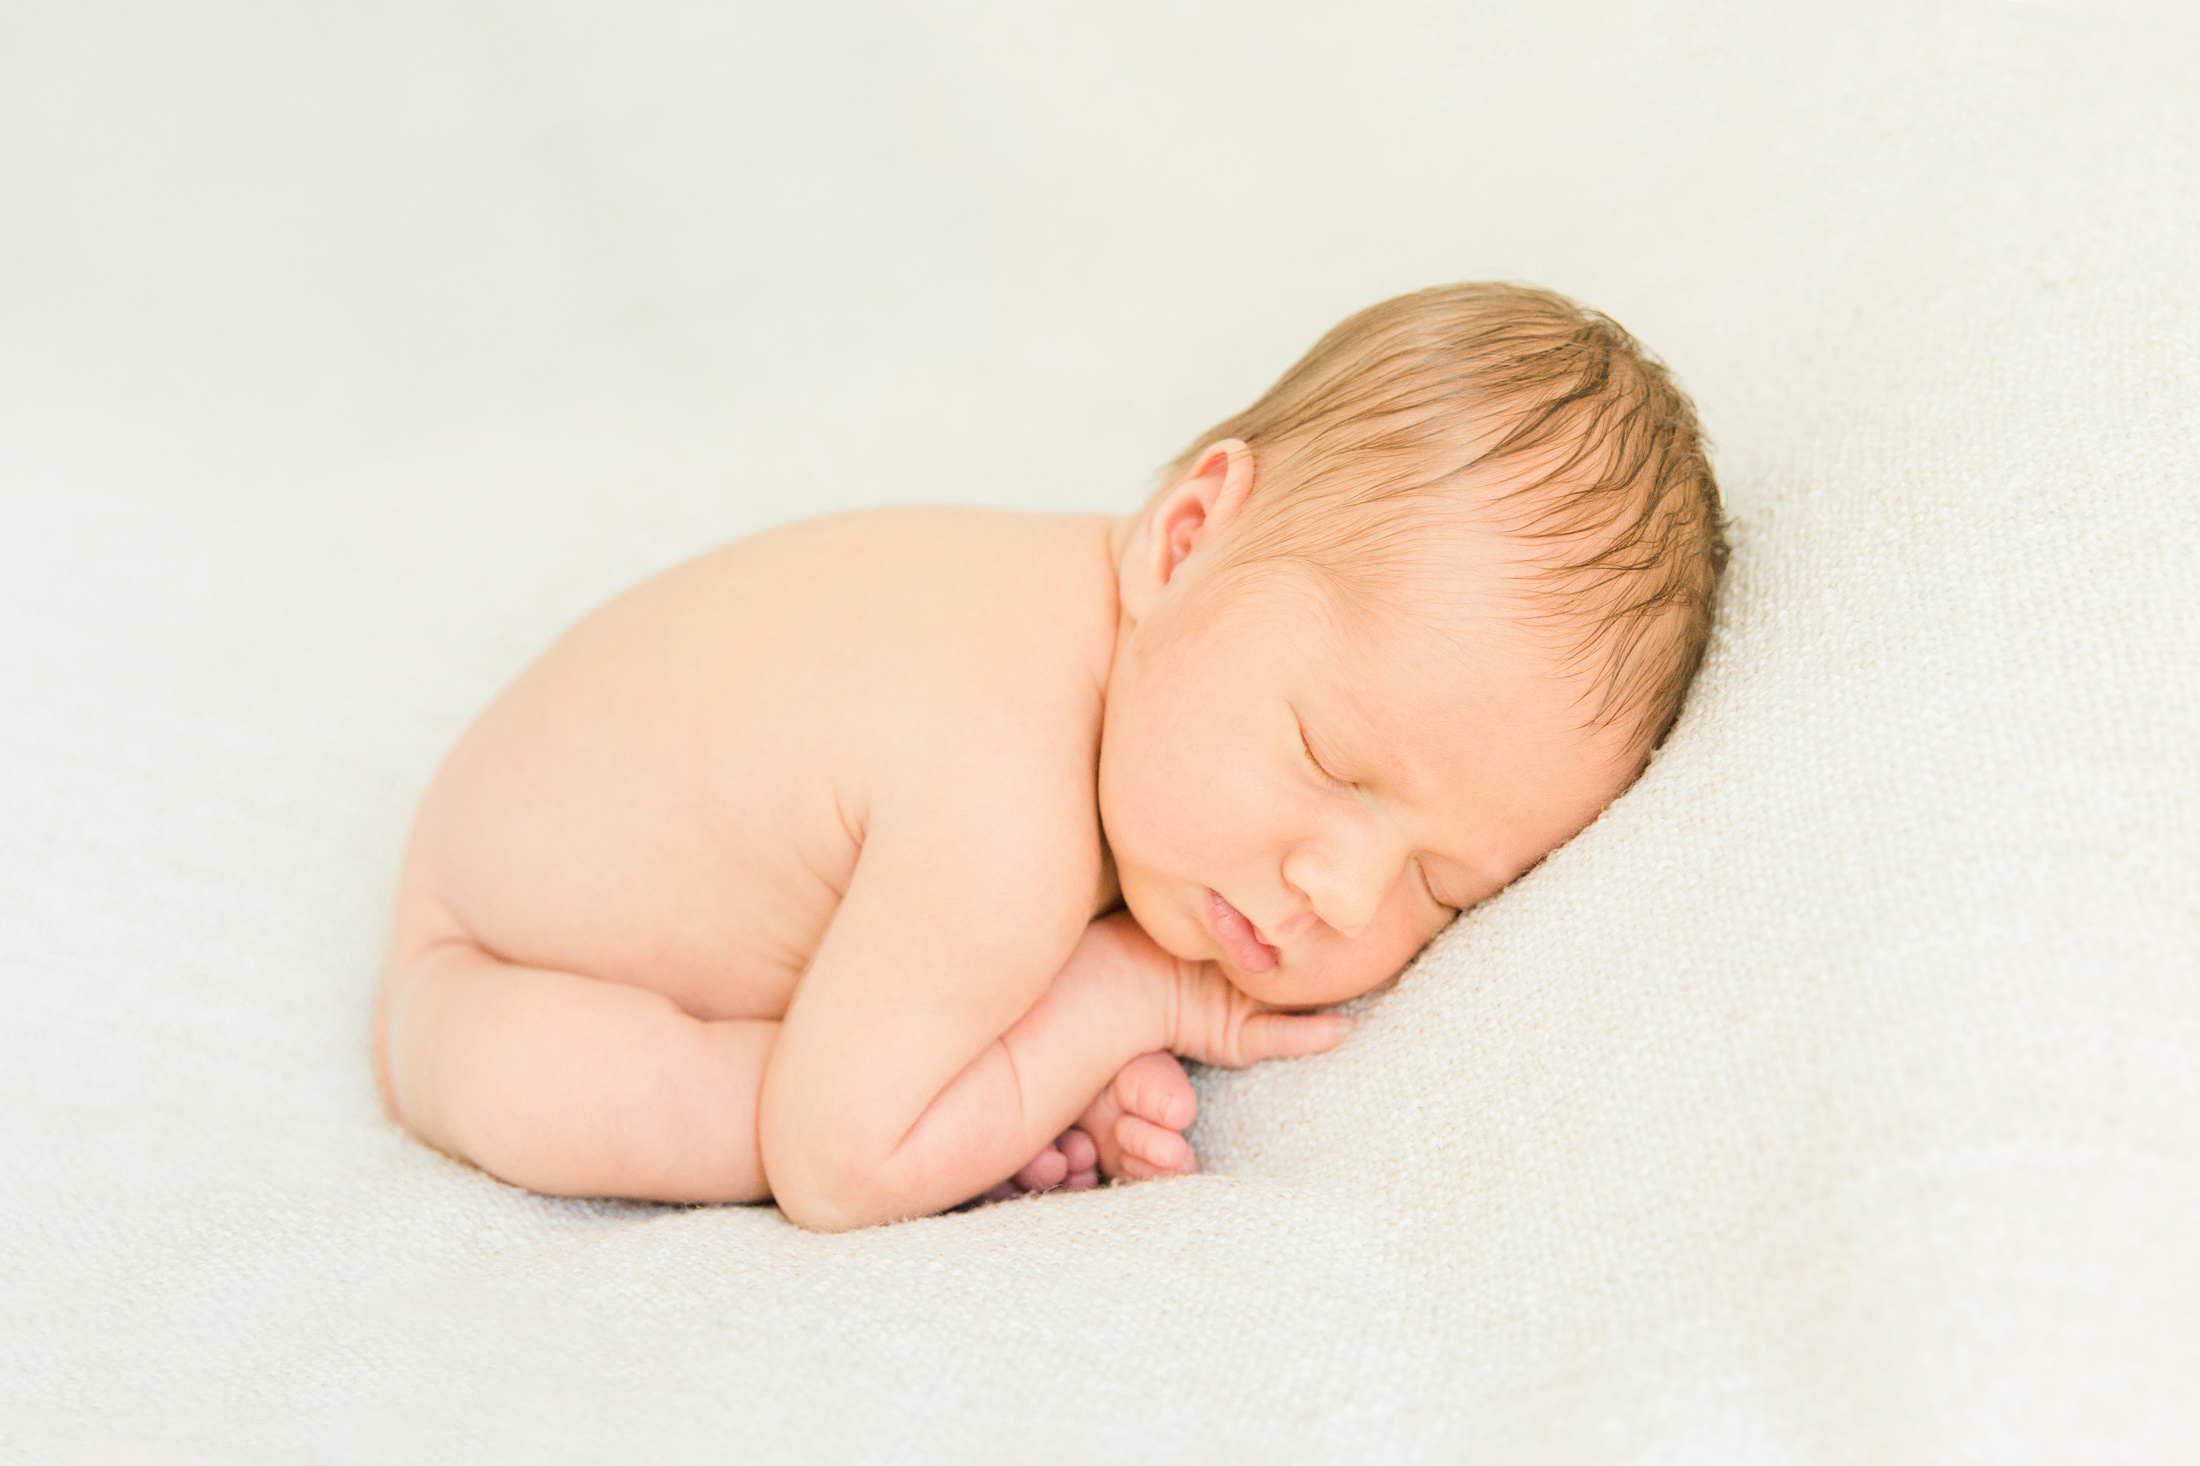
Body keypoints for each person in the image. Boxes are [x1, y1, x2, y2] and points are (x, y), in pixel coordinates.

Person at [372, 282, 1728, 1232]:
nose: (1346, 891)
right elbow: (839, 1162)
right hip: (488, 966)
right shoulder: (1001, 803)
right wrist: (1125, 997)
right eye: (1328, 758)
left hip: (577, 800)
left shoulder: (1120, 658)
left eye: (1445, 882)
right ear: (1185, 536)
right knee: (669, 1103)